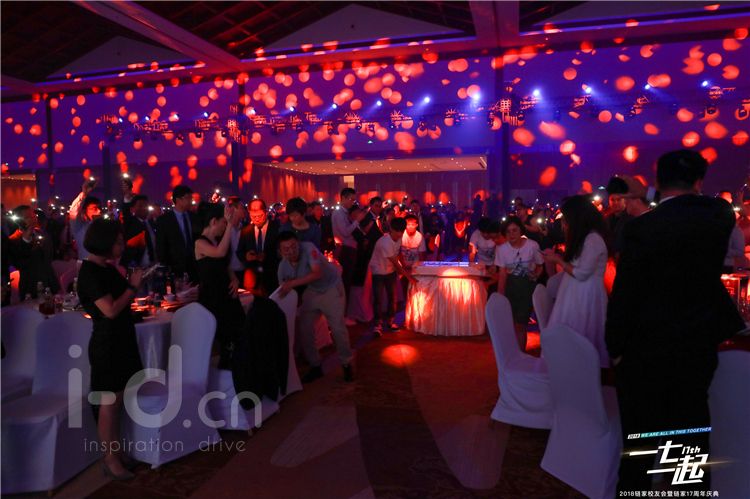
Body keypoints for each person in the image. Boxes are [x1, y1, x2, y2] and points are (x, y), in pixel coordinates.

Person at [606, 150, 744, 493]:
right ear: (699, 182)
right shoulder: (716, 218)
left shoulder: (641, 228)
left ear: (657, 182)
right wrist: (652, 194)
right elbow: (713, 206)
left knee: (639, 446)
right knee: (689, 439)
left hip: (643, 348)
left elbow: (625, 294)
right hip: (694, 347)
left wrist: (615, 348)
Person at [77, 218, 144, 480]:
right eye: (117, 242)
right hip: (108, 343)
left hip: (121, 339)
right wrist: (133, 286)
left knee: (117, 400)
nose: (121, 246)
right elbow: (110, 310)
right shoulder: (90, 272)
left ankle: (116, 453)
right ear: (104, 242)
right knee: (109, 402)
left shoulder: (105, 267)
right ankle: (109, 459)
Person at [276, 231, 354, 383]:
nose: (291, 251)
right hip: (312, 290)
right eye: (286, 249)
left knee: (337, 328)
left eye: (293, 246)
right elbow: (282, 291)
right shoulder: (283, 267)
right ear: (280, 252)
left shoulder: (308, 248)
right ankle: (315, 365)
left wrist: (292, 283)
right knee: (304, 327)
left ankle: (346, 363)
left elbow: (317, 273)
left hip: (331, 287)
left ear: (298, 244)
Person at [543, 195, 610, 367]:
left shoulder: (593, 239)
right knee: (572, 335)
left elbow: (581, 273)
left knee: (581, 334)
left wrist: (558, 260)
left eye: (566, 220)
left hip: (585, 294)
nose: (564, 224)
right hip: (575, 292)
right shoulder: (586, 237)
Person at [194, 202, 244, 367]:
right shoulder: (200, 243)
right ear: (213, 221)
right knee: (222, 339)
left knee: (237, 337)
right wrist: (230, 226)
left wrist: (234, 278)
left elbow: (225, 264)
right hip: (213, 298)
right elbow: (220, 253)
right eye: (224, 222)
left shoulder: (216, 241)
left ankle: (234, 372)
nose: (225, 226)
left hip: (226, 295)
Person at [495, 216, 543, 350]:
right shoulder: (502, 249)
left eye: (514, 230)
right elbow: (502, 274)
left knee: (521, 324)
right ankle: (511, 352)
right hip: (510, 288)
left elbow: (540, 266)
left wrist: (535, 275)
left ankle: (521, 353)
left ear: (521, 230)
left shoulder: (532, 245)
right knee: (510, 323)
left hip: (526, 289)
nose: (511, 234)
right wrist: (500, 295)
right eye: (508, 231)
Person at [368, 218, 417, 336]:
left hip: (390, 271)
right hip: (378, 271)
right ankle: (377, 325)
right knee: (378, 298)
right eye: (397, 231)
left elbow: (398, 254)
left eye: (401, 231)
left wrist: (405, 267)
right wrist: (409, 277)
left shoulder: (399, 239)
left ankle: (390, 321)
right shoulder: (385, 242)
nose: (399, 234)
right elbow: (396, 263)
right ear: (391, 229)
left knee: (392, 297)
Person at [7, 205, 59, 298]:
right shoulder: (13, 239)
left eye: (33, 215)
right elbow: (19, 264)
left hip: (50, 282)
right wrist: (26, 240)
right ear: (19, 221)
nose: (33, 218)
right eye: (28, 217)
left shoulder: (41, 233)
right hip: (31, 286)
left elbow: (49, 255)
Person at [331, 188, 366, 324]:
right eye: (351, 199)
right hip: (345, 250)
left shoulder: (344, 213)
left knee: (347, 282)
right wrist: (357, 221)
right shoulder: (339, 213)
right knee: (344, 282)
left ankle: (344, 314)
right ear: (343, 198)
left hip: (349, 249)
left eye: (354, 200)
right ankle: (342, 316)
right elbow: (345, 232)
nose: (353, 202)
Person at [237, 198, 280, 295]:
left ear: (266, 212)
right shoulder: (246, 231)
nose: (256, 219)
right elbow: (239, 252)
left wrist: (267, 256)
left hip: (273, 277)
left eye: (260, 216)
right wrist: (246, 256)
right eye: (253, 216)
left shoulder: (277, 228)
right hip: (252, 278)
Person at [156, 185, 197, 282]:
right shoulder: (164, 220)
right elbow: (161, 245)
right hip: (175, 268)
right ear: (178, 200)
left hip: (195, 265)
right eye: (188, 198)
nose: (191, 201)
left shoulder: (194, 217)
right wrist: (166, 267)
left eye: (191, 198)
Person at [68, 178, 102, 259]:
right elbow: (73, 212)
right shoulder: (79, 227)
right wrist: (84, 194)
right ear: (83, 211)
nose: (99, 211)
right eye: (94, 208)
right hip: (86, 264)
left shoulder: (102, 227)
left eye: (99, 208)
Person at [121, 195, 157, 269]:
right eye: (140, 206)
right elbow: (126, 214)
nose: (144, 208)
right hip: (136, 269)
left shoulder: (151, 223)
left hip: (152, 267)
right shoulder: (130, 223)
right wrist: (127, 198)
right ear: (132, 209)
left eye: (146, 205)